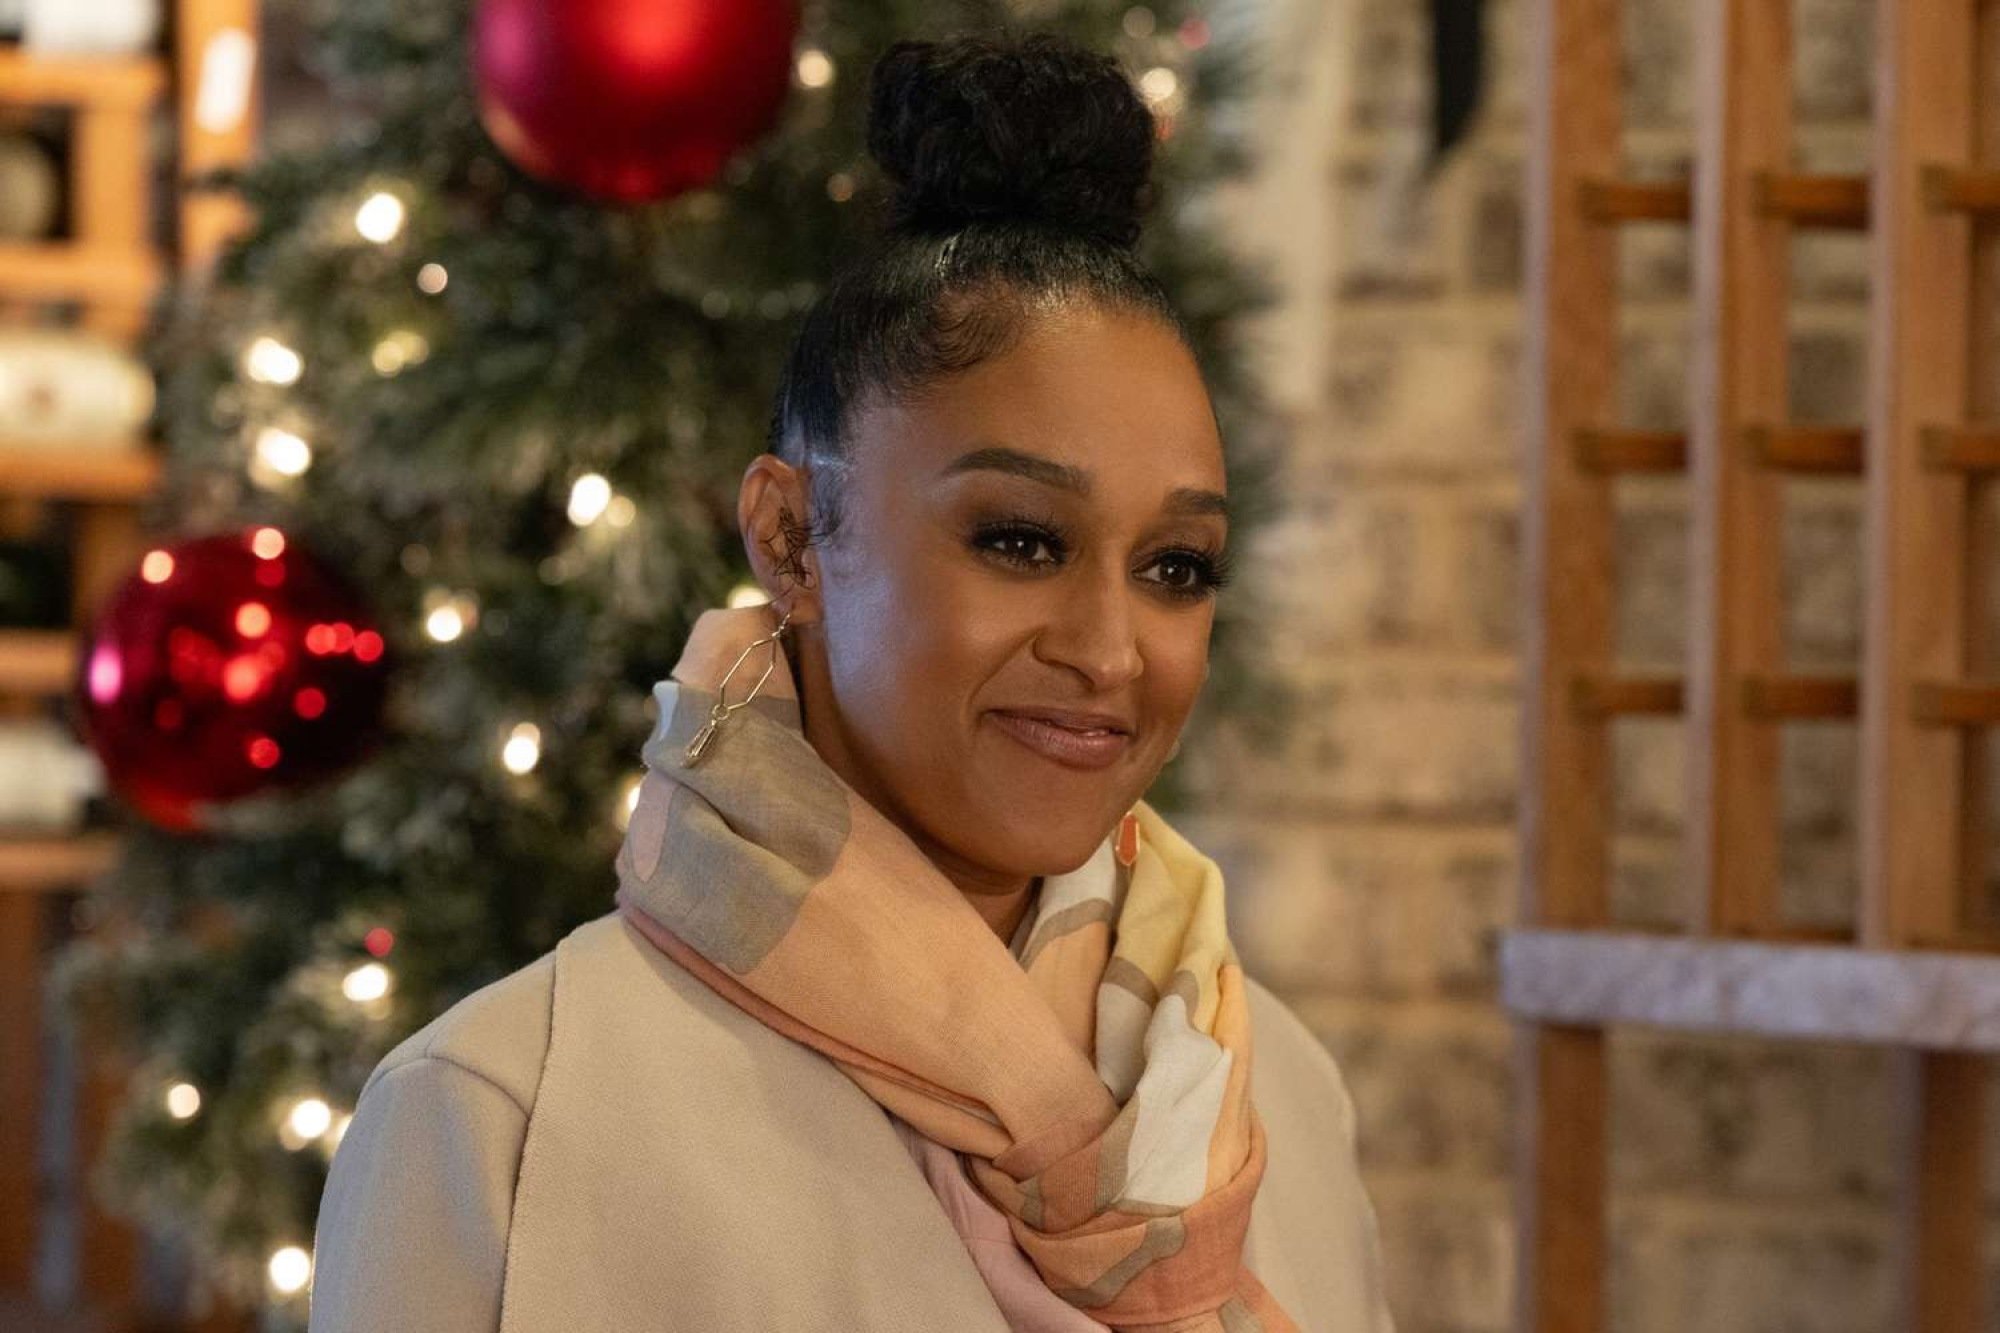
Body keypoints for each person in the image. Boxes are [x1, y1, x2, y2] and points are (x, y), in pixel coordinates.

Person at [306, 29, 1394, 1333]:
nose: (1111, 650)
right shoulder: (501, 1115)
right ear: (789, 537)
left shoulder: (1279, 1102)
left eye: (1176, 566)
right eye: (1020, 540)